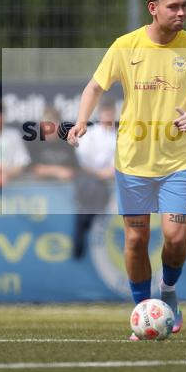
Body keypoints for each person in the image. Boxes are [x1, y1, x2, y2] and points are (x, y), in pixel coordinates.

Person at [67, 0, 186, 339]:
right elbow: (95, 86)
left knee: (176, 237)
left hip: (177, 162)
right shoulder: (125, 46)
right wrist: (81, 121)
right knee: (135, 239)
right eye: (173, 7)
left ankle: (167, 291)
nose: (181, 12)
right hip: (134, 162)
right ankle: (141, 310)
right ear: (153, 9)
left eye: (184, 6)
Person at [73, 98, 119, 259]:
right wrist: (98, 174)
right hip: (91, 181)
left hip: (109, 182)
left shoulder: (118, 136)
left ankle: (87, 221)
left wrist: (106, 174)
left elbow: (119, 164)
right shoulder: (89, 134)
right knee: (91, 184)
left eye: (110, 111)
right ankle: (84, 225)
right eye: (104, 111)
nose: (107, 115)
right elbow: (83, 162)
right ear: (99, 113)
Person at [27, 105, 78, 182]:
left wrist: (68, 172)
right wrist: (57, 171)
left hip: (65, 185)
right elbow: (32, 168)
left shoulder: (68, 142)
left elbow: (75, 168)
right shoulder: (34, 141)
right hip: (39, 185)